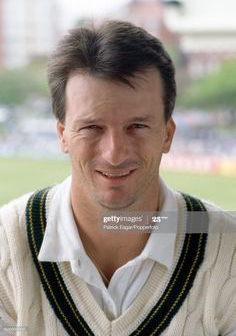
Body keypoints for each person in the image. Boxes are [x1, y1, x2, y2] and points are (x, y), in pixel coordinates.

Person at [0, 20, 235, 336]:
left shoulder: (227, 247)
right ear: (62, 135)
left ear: (167, 134)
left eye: (137, 126)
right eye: (91, 128)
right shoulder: (6, 245)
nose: (114, 154)